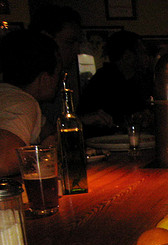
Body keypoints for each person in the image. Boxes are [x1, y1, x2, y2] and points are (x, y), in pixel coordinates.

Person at [29, 5, 113, 131]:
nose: (77, 50)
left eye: (78, 43)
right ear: (46, 38)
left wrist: (81, 120)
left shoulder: (67, 74)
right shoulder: (28, 85)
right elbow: (42, 134)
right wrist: (80, 121)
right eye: (69, 42)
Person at [0, 30, 61, 177]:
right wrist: (42, 153)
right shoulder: (22, 102)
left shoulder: (9, 95)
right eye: (58, 74)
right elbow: (4, 163)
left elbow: (51, 133)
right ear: (45, 78)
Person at [78, 29, 152, 135]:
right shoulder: (102, 82)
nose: (147, 58)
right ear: (127, 56)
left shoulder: (138, 80)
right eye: (141, 52)